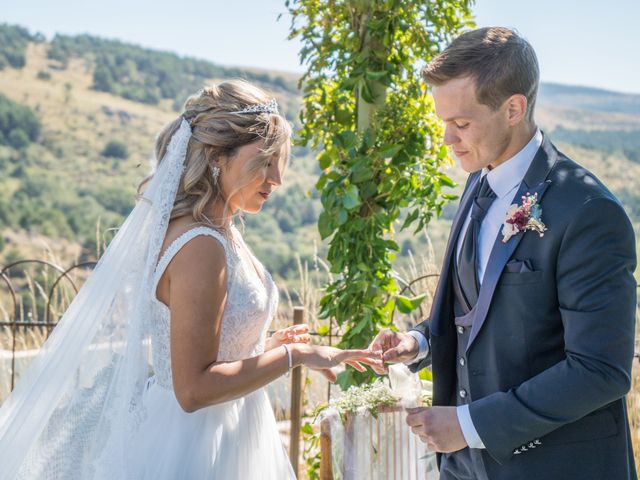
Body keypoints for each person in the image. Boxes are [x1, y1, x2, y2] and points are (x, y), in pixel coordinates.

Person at [0, 80, 380, 479]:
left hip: (230, 433)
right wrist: (296, 356)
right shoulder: (201, 244)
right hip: (196, 447)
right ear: (218, 156)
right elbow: (194, 389)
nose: (277, 177)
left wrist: (265, 348)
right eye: (266, 159)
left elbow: (214, 355)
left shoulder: (221, 231)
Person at [370, 27, 637, 479]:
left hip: (552, 467)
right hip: (464, 468)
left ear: (514, 108)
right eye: (444, 123)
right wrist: (420, 340)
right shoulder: (478, 180)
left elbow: (600, 371)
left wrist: (471, 424)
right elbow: (478, 310)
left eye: (462, 123)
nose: (448, 139)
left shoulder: (588, 211)